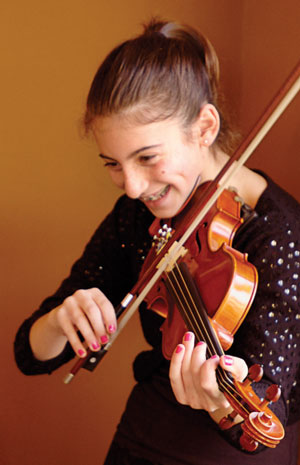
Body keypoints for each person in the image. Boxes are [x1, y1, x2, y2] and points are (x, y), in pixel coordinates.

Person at [14, 18, 300, 465]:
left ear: (204, 127)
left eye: (147, 157)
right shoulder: (138, 214)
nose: (130, 187)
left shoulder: (280, 235)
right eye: (112, 163)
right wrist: (58, 321)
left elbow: (271, 409)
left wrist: (225, 399)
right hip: (142, 436)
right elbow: (29, 354)